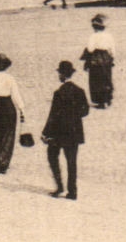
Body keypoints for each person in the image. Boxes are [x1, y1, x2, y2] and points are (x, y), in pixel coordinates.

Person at [42, 59, 89, 199]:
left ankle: (59, 186)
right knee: (71, 161)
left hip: (58, 132)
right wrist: (74, 116)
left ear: (62, 75)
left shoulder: (59, 93)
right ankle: (72, 192)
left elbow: (53, 115)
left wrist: (45, 132)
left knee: (52, 157)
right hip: (74, 131)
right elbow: (85, 111)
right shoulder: (80, 91)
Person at [80, 14, 116, 108]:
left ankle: (101, 102)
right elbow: (112, 49)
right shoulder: (109, 36)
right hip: (106, 58)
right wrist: (112, 57)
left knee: (96, 80)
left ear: (94, 27)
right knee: (106, 78)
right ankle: (108, 98)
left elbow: (90, 49)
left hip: (96, 59)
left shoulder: (93, 36)